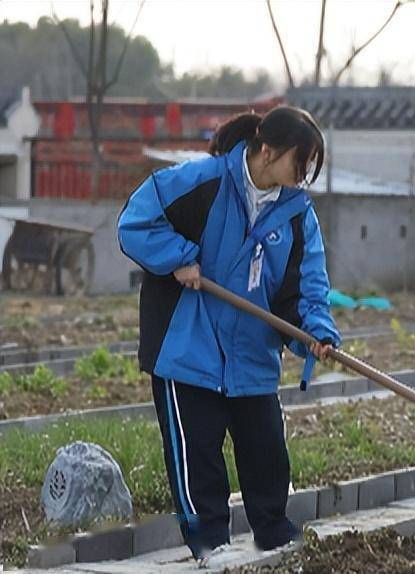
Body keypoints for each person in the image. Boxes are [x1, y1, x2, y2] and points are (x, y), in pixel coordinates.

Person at [117, 107, 340, 564]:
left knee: (267, 456)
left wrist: (315, 332)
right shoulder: (202, 182)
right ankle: (209, 546)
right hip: (188, 347)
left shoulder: (296, 214)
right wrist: (178, 256)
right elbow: (136, 222)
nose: (304, 175)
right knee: (200, 458)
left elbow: (307, 284)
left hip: (251, 354)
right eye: (301, 162)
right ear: (268, 150)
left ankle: (276, 540)